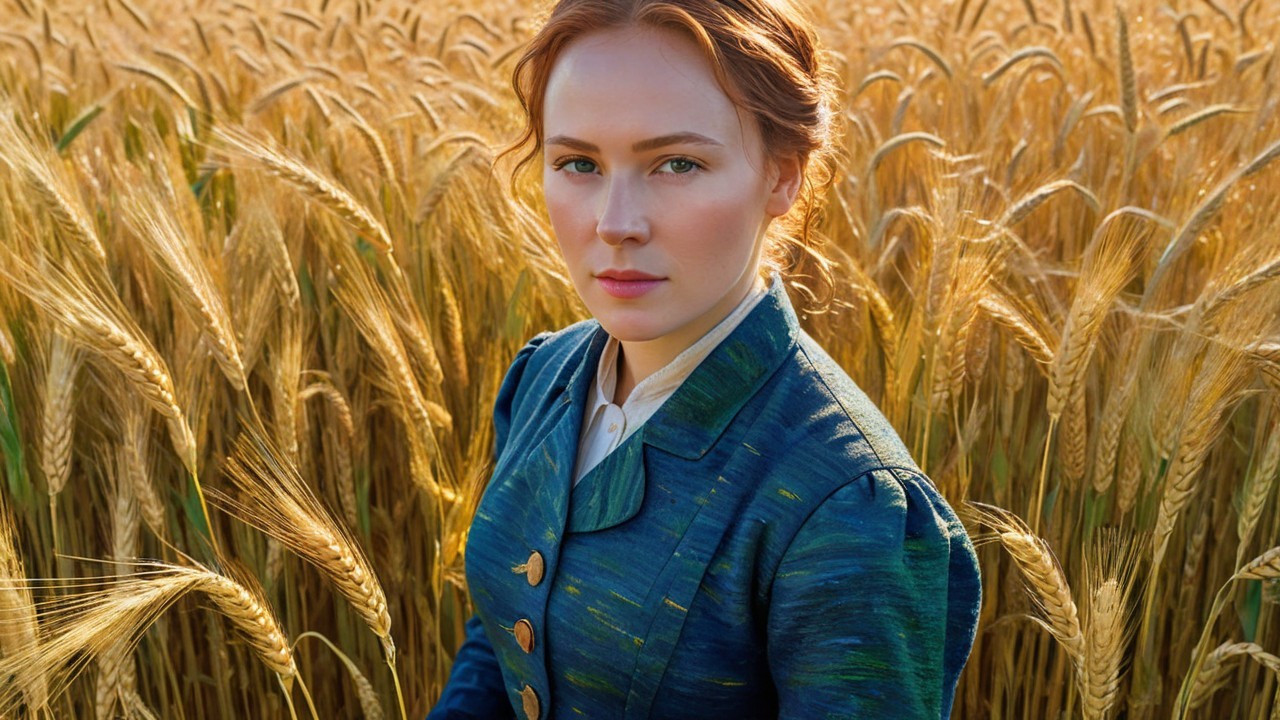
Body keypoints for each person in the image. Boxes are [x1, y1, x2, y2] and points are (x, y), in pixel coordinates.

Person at [427, 1, 982, 718]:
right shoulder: (541, 380)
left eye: (676, 164)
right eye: (578, 163)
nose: (615, 223)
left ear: (782, 175)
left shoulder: (852, 511)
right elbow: (500, 641)